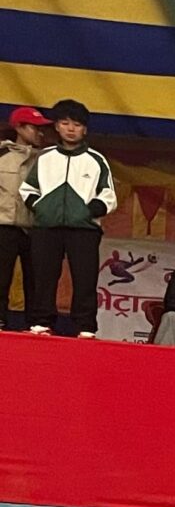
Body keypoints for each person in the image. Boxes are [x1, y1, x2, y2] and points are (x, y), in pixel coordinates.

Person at [21, 97, 115, 339]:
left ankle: (85, 326)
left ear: (85, 129)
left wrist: (87, 211)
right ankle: (41, 322)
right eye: (65, 123)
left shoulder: (96, 159)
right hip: (47, 227)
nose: (71, 129)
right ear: (56, 126)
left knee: (85, 279)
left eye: (77, 124)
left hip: (84, 230)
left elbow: (108, 196)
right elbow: (28, 189)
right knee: (43, 276)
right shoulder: (45, 157)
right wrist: (41, 208)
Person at [0, 105, 46, 330]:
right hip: (4, 224)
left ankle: (35, 325)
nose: (40, 133)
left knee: (36, 280)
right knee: (1, 277)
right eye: (34, 127)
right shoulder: (2, 155)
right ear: (18, 127)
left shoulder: (47, 159)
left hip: (34, 227)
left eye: (41, 128)